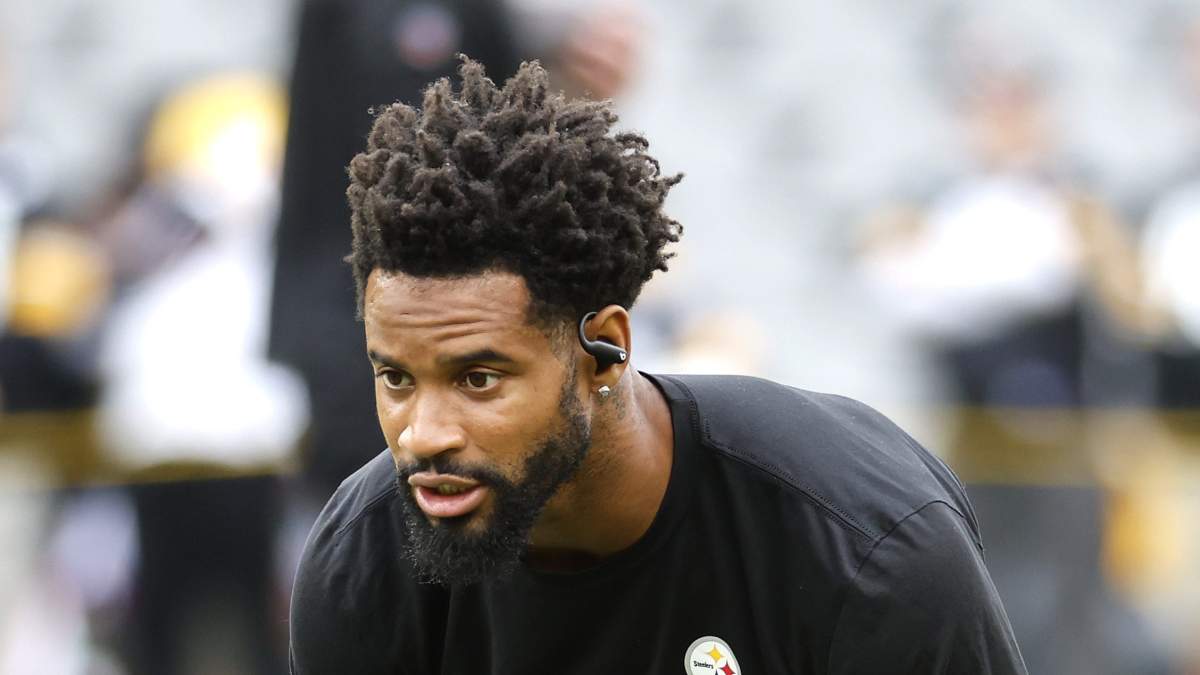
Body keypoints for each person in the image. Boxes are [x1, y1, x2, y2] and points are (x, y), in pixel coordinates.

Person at [289, 57, 1026, 674]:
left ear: (605, 350)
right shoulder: (362, 562)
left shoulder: (866, 550)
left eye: (478, 379)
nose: (423, 434)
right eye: (396, 378)